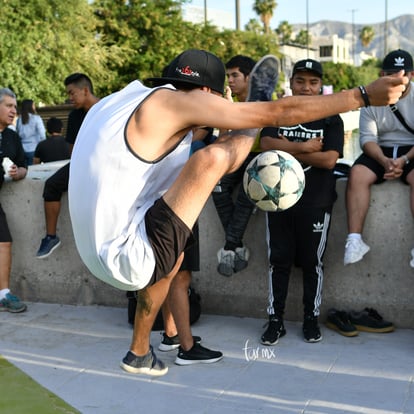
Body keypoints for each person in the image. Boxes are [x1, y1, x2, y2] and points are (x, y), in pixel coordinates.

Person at [68, 48, 407, 377]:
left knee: (176, 255)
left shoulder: (125, 98)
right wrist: (361, 95)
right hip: (127, 256)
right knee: (210, 159)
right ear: (205, 92)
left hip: (95, 244)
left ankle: (142, 349)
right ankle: (251, 114)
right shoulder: (183, 100)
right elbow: (281, 113)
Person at [258, 59, 344, 345]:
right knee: (278, 261)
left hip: (316, 201)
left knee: (312, 263)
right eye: (300, 81)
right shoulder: (279, 112)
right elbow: (267, 145)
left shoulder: (332, 118)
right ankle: (275, 321)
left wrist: (289, 150)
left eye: (313, 82)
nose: (306, 88)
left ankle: (311, 320)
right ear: (291, 83)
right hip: (277, 200)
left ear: (321, 87)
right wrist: (305, 148)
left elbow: (329, 159)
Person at [344, 49, 414, 266]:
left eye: (402, 74)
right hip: (380, 149)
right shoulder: (371, 96)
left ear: (411, 75)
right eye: (391, 74)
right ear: (382, 74)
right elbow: (367, 139)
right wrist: (385, 161)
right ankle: (354, 240)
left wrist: (403, 160)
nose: (396, 79)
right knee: (357, 173)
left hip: (411, 148)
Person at [36, 73, 99, 259]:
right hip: (82, 164)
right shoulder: (74, 116)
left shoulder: (107, 109)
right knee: (52, 185)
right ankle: (51, 236)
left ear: (85, 90)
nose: (70, 98)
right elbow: (72, 151)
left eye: (72, 93)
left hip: (107, 164)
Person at [212, 55, 262, 277]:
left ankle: (230, 248)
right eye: (228, 76)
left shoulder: (261, 101)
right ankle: (237, 246)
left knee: (245, 195)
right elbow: (222, 139)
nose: (230, 80)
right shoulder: (230, 104)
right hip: (236, 156)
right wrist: (225, 111)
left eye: (235, 75)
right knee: (217, 186)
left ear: (249, 77)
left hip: (258, 157)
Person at [0, 88, 28, 313]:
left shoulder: (12, 136)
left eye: (15, 108)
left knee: (4, 242)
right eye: (9, 106)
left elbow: (24, 164)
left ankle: (3, 295)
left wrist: (20, 172)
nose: (13, 111)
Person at [16, 99, 46, 165]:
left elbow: (17, 134)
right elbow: (42, 135)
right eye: (33, 105)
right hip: (34, 149)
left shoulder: (19, 119)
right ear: (30, 106)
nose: (34, 107)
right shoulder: (36, 118)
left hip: (22, 150)